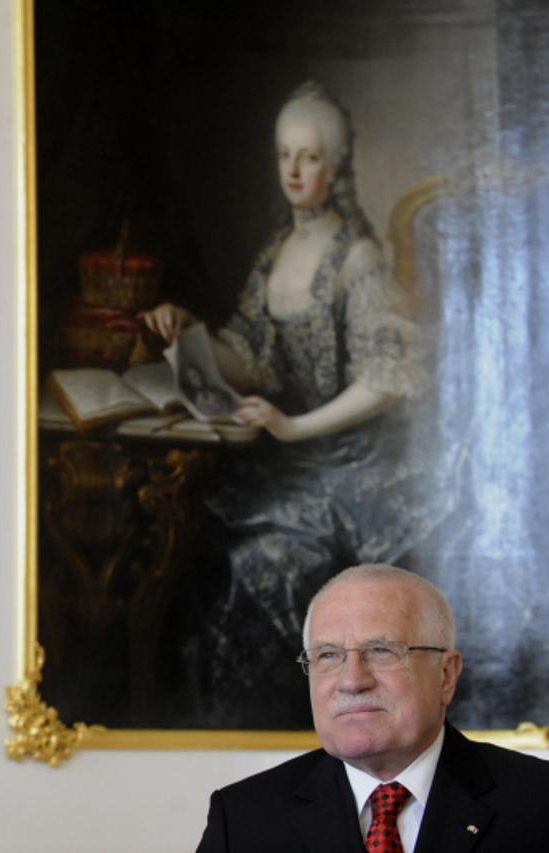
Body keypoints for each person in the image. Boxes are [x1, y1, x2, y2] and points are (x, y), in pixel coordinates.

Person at [140, 82, 443, 690]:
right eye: (285, 156)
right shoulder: (276, 252)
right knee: (196, 554)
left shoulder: (355, 258)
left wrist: (295, 426)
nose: (295, 171)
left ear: (334, 166)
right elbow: (252, 357)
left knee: (256, 568)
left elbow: (386, 377)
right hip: (286, 458)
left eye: (309, 157)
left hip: (349, 464)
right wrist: (189, 333)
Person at [195, 564, 549, 852]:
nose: (351, 681)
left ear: (445, 675)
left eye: (382, 651)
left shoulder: (538, 804)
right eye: (328, 655)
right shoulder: (244, 819)